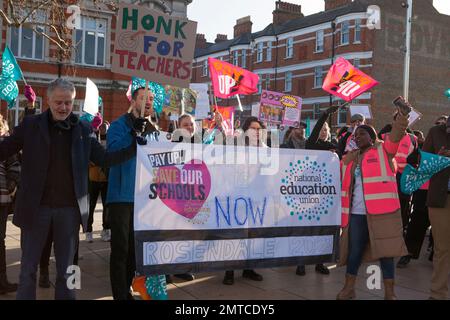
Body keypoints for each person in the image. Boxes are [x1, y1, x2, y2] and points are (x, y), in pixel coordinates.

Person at [0, 78, 138, 300]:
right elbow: (4, 149)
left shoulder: (83, 129)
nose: (64, 108)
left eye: (68, 103)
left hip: (69, 211)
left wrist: (133, 145)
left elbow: (104, 159)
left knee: (69, 270)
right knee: (28, 269)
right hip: (36, 210)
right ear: (48, 101)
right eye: (59, 103)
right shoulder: (30, 125)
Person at [336, 112, 409, 300]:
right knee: (355, 251)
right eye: (355, 135)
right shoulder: (350, 158)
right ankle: (348, 288)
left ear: (372, 136)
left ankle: (390, 293)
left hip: (383, 213)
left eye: (362, 134)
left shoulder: (385, 150)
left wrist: (402, 116)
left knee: (386, 253)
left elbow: (397, 133)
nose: (358, 137)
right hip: (357, 213)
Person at [107, 83, 160, 300]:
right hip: (121, 196)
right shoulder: (119, 125)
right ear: (133, 101)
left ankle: (127, 287)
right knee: (120, 249)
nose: (148, 101)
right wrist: (133, 134)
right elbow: (113, 152)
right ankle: (120, 295)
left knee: (134, 250)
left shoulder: (154, 130)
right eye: (143, 97)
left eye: (151, 99)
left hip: (144, 197)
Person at [295, 105, 339, 276]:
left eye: (325, 129)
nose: (323, 131)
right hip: (308, 191)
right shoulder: (312, 144)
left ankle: (319, 262)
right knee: (306, 228)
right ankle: (301, 262)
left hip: (325, 193)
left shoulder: (333, 146)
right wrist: (325, 115)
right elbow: (314, 135)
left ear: (329, 132)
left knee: (322, 229)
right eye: (321, 129)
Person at [222, 117, 265, 285]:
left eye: (259, 129)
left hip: (256, 198)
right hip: (236, 195)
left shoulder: (265, 149)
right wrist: (220, 125)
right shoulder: (236, 146)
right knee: (234, 234)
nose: (256, 131)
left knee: (252, 236)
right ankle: (229, 271)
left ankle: (248, 268)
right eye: (253, 128)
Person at [422, 116, 450, 300]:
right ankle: (438, 294)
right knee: (442, 248)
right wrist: (438, 159)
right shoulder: (436, 132)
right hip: (442, 199)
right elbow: (424, 166)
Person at [397, 130, 431, 268]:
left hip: (443, 191)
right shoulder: (425, 146)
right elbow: (411, 160)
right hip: (424, 189)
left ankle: (436, 253)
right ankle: (408, 253)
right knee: (417, 221)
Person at [0, 117, 20, 294]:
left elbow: (14, 168)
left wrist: (10, 186)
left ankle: (2, 282)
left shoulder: (5, 143)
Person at [86, 115, 111, 243]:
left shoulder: (110, 140)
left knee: (107, 206)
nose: (103, 130)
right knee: (91, 206)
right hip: (93, 178)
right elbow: (89, 157)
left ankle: (106, 229)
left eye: (106, 128)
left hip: (106, 179)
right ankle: (88, 230)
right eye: (101, 127)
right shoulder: (92, 137)